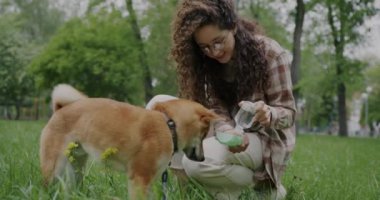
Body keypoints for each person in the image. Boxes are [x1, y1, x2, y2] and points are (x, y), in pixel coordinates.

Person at [146, 0, 296, 199]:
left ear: (233, 26)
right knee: (158, 106)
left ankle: (261, 188)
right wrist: (227, 131)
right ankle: (188, 192)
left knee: (196, 162)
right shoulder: (206, 62)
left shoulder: (271, 54)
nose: (214, 52)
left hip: (262, 138)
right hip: (225, 132)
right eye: (205, 47)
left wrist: (269, 113)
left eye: (219, 41)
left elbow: (289, 113)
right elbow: (216, 110)